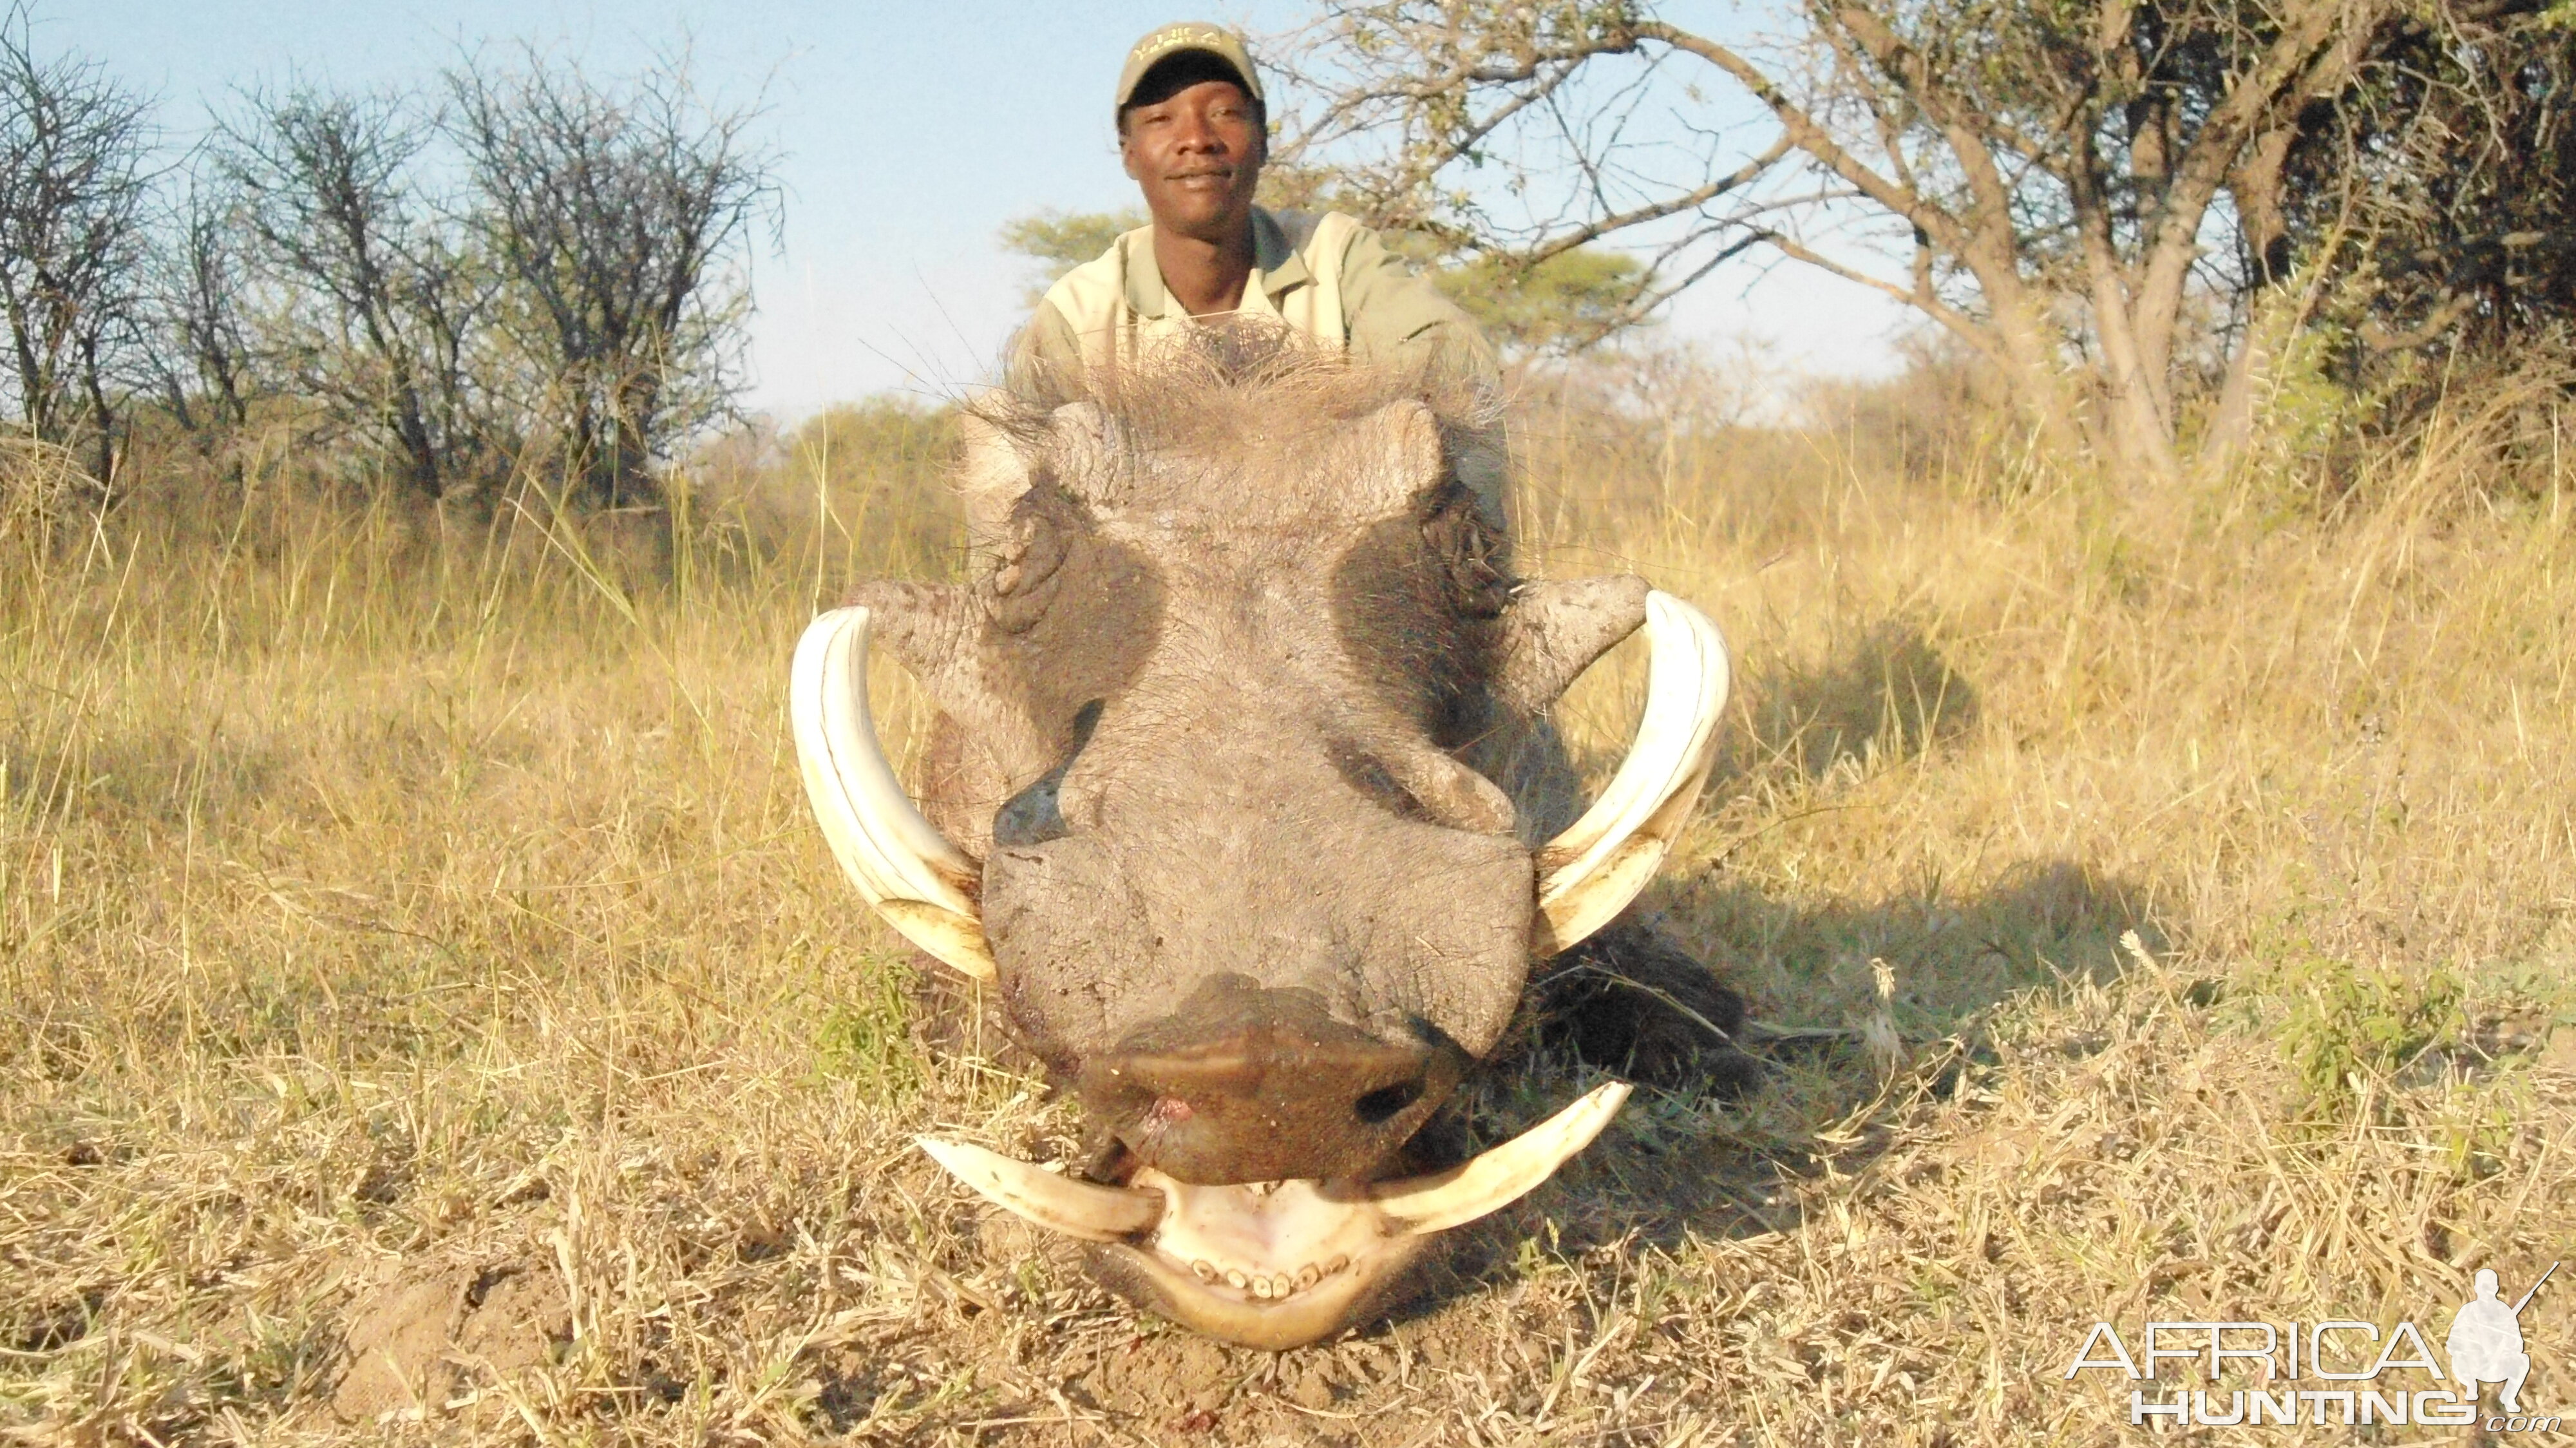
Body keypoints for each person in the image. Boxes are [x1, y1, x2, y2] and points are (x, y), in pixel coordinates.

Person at [996, 21, 1508, 533]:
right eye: (1160, 119)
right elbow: (1019, 498)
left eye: (1223, 113)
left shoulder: (1337, 258)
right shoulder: (1079, 313)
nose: (1196, 139)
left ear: (1262, 140)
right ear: (1129, 151)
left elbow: (1461, 370)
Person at [2447, 1267, 2534, 1413]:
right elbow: (2454, 1341)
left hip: (2498, 1365)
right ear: (2476, 1288)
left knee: (2523, 1360)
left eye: (2491, 1285)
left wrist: (2505, 1346)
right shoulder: (2468, 1311)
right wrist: (2473, 1347)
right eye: (2484, 1285)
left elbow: (2517, 1341)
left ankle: (2509, 1397)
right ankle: (2471, 1387)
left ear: (2497, 1288)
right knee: (2460, 1357)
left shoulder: (2504, 1311)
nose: (2487, 1289)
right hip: (2474, 1365)